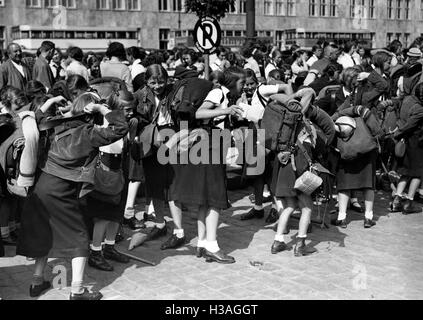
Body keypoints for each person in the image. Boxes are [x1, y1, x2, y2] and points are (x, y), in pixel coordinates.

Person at [16, 86, 129, 300]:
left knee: (44, 232)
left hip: (40, 186)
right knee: (79, 238)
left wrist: (50, 102)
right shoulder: (89, 133)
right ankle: (77, 291)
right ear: (92, 113)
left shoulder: (56, 124)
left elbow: (38, 119)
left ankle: (36, 282)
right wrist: (103, 109)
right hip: (62, 190)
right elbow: (119, 128)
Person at [170, 66, 245, 264]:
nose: (244, 86)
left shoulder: (227, 97)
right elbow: (200, 113)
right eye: (242, 83)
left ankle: (202, 243)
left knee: (206, 198)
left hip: (214, 145)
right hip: (209, 146)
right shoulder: (218, 92)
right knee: (214, 198)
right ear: (233, 82)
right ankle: (213, 246)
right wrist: (227, 110)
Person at [271, 89, 336, 256]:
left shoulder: (286, 122)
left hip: (285, 167)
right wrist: (306, 93)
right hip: (298, 167)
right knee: (307, 207)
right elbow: (309, 92)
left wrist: (290, 96)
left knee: (290, 205)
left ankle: (278, 241)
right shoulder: (301, 121)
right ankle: (300, 244)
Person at [82, 90, 134, 272]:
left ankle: (109, 247)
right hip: (104, 174)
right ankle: (95, 253)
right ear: (117, 108)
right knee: (103, 217)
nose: (130, 113)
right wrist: (99, 108)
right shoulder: (105, 123)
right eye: (126, 109)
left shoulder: (124, 123)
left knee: (115, 215)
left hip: (118, 172)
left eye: (131, 109)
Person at [238, 69, 293, 222]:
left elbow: (286, 87)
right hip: (253, 133)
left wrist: (291, 107)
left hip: (266, 134)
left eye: (251, 83)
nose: (248, 87)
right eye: (245, 84)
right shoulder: (245, 96)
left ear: (257, 82)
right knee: (256, 174)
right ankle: (258, 208)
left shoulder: (262, 89)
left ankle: (276, 209)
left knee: (269, 174)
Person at [331, 105, 383, 229]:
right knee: (368, 185)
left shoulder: (342, 115)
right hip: (367, 151)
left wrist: (342, 112)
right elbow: (378, 132)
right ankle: (368, 218)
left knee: (344, 186)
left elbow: (331, 120)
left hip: (346, 152)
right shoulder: (366, 112)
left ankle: (341, 218)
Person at [391, 82, 423, 215]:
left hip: (407, 143)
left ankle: (397, 201)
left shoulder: (407, 100)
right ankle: (408, 203)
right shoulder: (420, 109)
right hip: (416, 144)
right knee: (417, 174)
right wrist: (398, 133)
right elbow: (410, 125)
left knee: (405, 172)